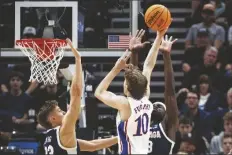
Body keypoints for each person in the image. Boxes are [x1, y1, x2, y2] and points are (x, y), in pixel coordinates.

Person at [37, 39, 118, 155]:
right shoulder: (64, 130)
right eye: (59, 111)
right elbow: (76, 93)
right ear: (52, 119)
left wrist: (119, 138)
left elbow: (92, 145)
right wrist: (78, 60)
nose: (64, 111)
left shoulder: (50, 137)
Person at [94, 28, 168, 154]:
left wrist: (116, 69)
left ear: (126, 88)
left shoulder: (125, 104)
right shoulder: (146, 98)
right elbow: (149, 66)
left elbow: (99, 92)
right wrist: (159, 37)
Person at [148, 35, 179, 155]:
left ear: (166, 115)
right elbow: (134, 89)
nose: (155, 106)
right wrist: (134, 54)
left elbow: (170, 93)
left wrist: (166, 56)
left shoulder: (168, 126)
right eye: (154, 105)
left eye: (160, 106)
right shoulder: (140, 125)